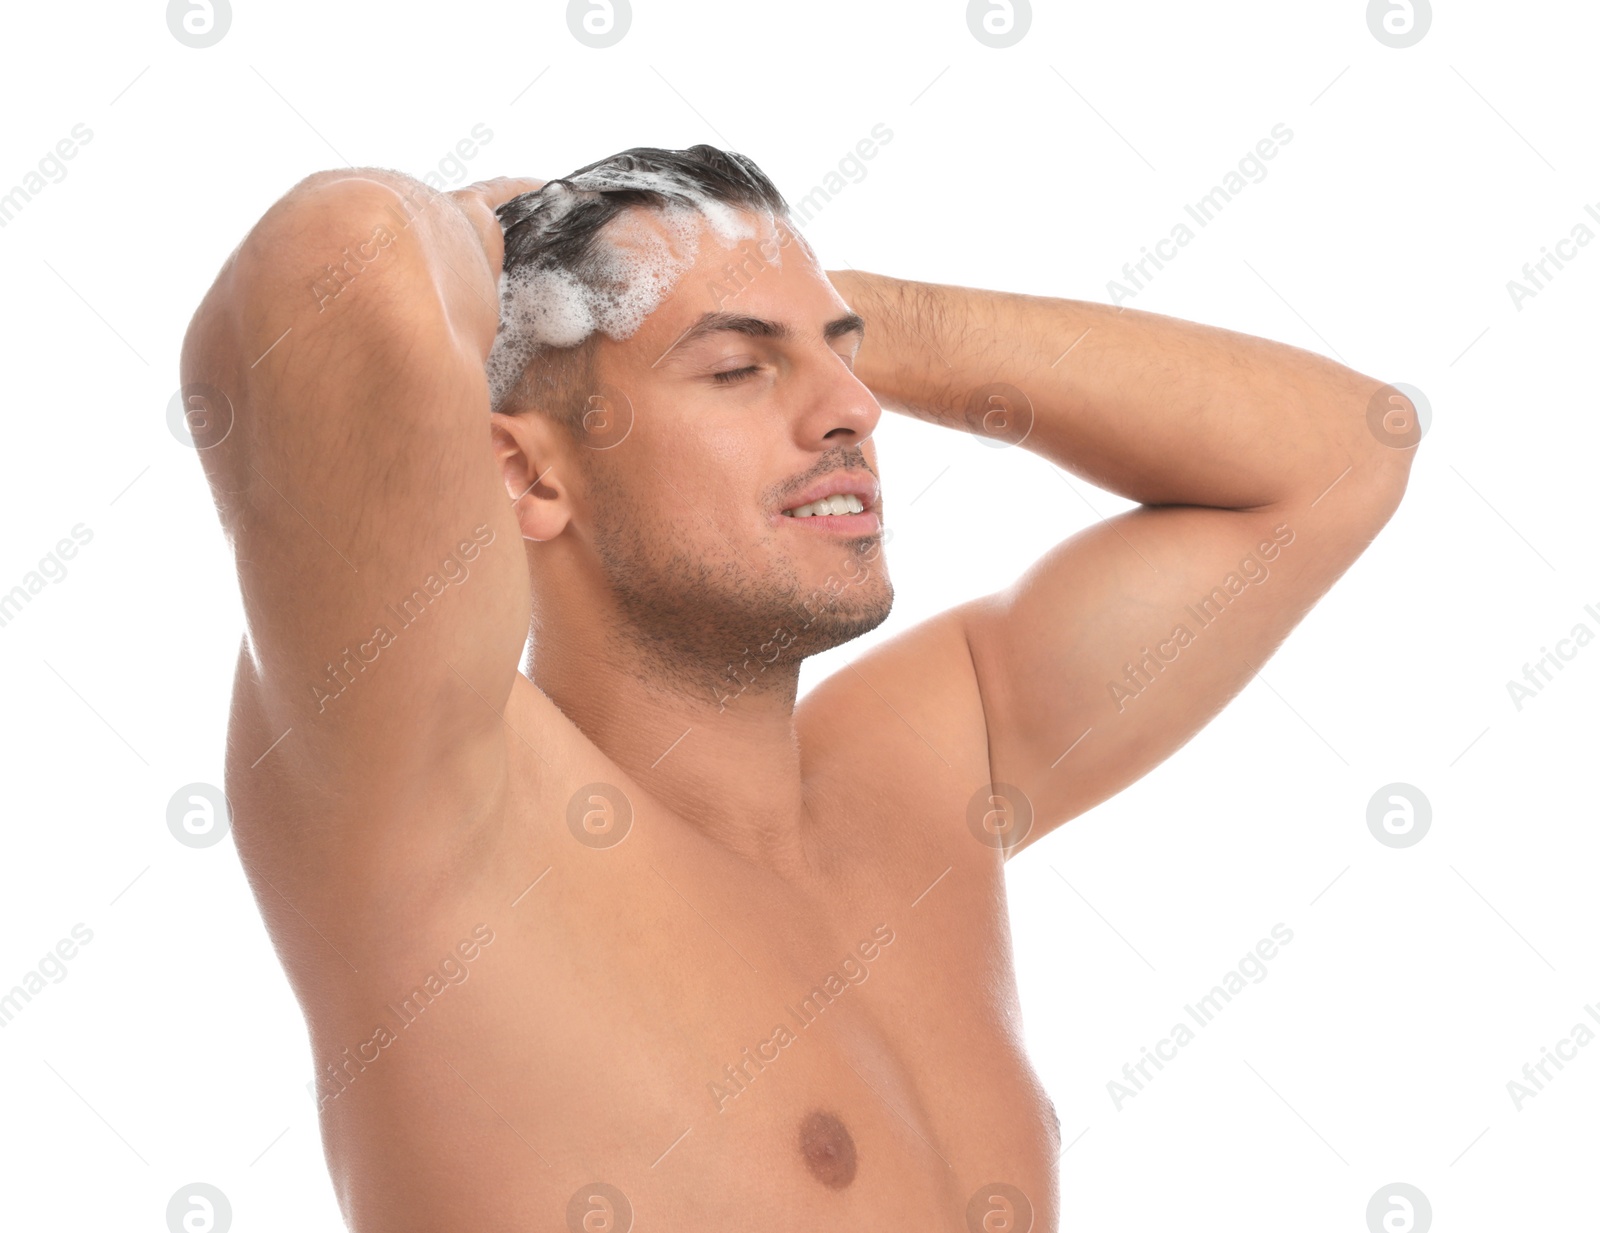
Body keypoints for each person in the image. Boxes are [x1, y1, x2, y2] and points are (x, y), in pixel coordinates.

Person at [179, 144, 1417, 1231]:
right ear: (527, 478)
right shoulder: (437, 794)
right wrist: (498, 231)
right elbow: (335, 265)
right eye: (735, 372)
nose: (855, 413)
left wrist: (793, 304)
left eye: (845, 363)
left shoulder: (919, 776)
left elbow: (1340, 453)